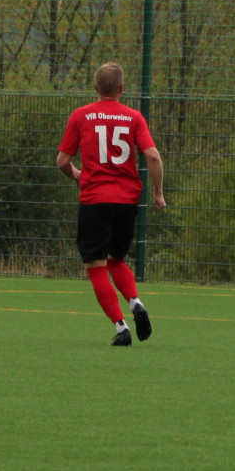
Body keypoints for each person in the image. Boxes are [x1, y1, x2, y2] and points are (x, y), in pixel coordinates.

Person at [57, 62, 166, 346]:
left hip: (95, 200)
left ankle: (121, 328)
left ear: (95, 88)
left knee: (96, 266)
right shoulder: (134, 117)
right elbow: (152, 156)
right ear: (121, 89)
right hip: (127, 200)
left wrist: (76, 176)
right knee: (117, 260)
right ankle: (135, 302)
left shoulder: (81, 116)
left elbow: (62, 161)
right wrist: (158, 192)